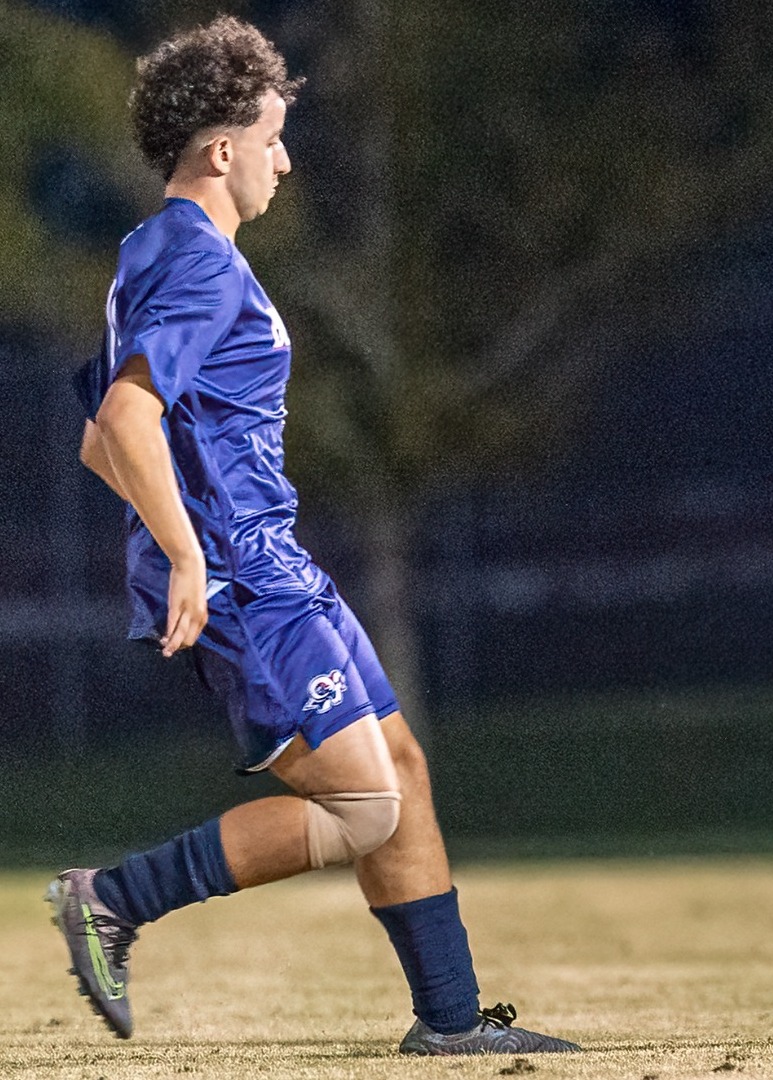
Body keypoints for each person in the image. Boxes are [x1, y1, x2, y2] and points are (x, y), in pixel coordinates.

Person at [53, 16, 577, 1056]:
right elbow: (124, 421)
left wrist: (180, 530)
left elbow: (94, 443)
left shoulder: (153, 253)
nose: (284, 161)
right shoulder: (198, 264)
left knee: (398, 768)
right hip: (245, 579)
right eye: (273, 138)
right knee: (366, 808)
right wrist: (190, 553)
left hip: (273, 565)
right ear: (222, 150)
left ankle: (451, 1023)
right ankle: (112, 900)